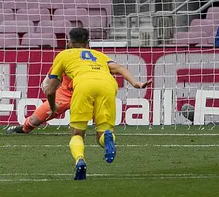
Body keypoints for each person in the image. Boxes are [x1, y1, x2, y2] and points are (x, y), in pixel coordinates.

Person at [42, 27, 152, 180]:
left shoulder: (64, 55)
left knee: (77, 133)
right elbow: (119, 68)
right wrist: (135, 83)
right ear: (88, 44)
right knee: (103, 132)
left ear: (69, 43)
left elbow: (50, 88)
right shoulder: (98, 55)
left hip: (84, 85)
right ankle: (107, 137)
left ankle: (80, 160)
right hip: (108, 84)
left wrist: (53, 106)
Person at [5, 73, 73, 134]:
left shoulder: (83, 61)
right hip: (63, 95)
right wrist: (47, 83)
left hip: (81, 95)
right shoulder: (63, 59)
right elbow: (53, 75)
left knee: (78, 130)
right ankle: (24, 129)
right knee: (33, 121)